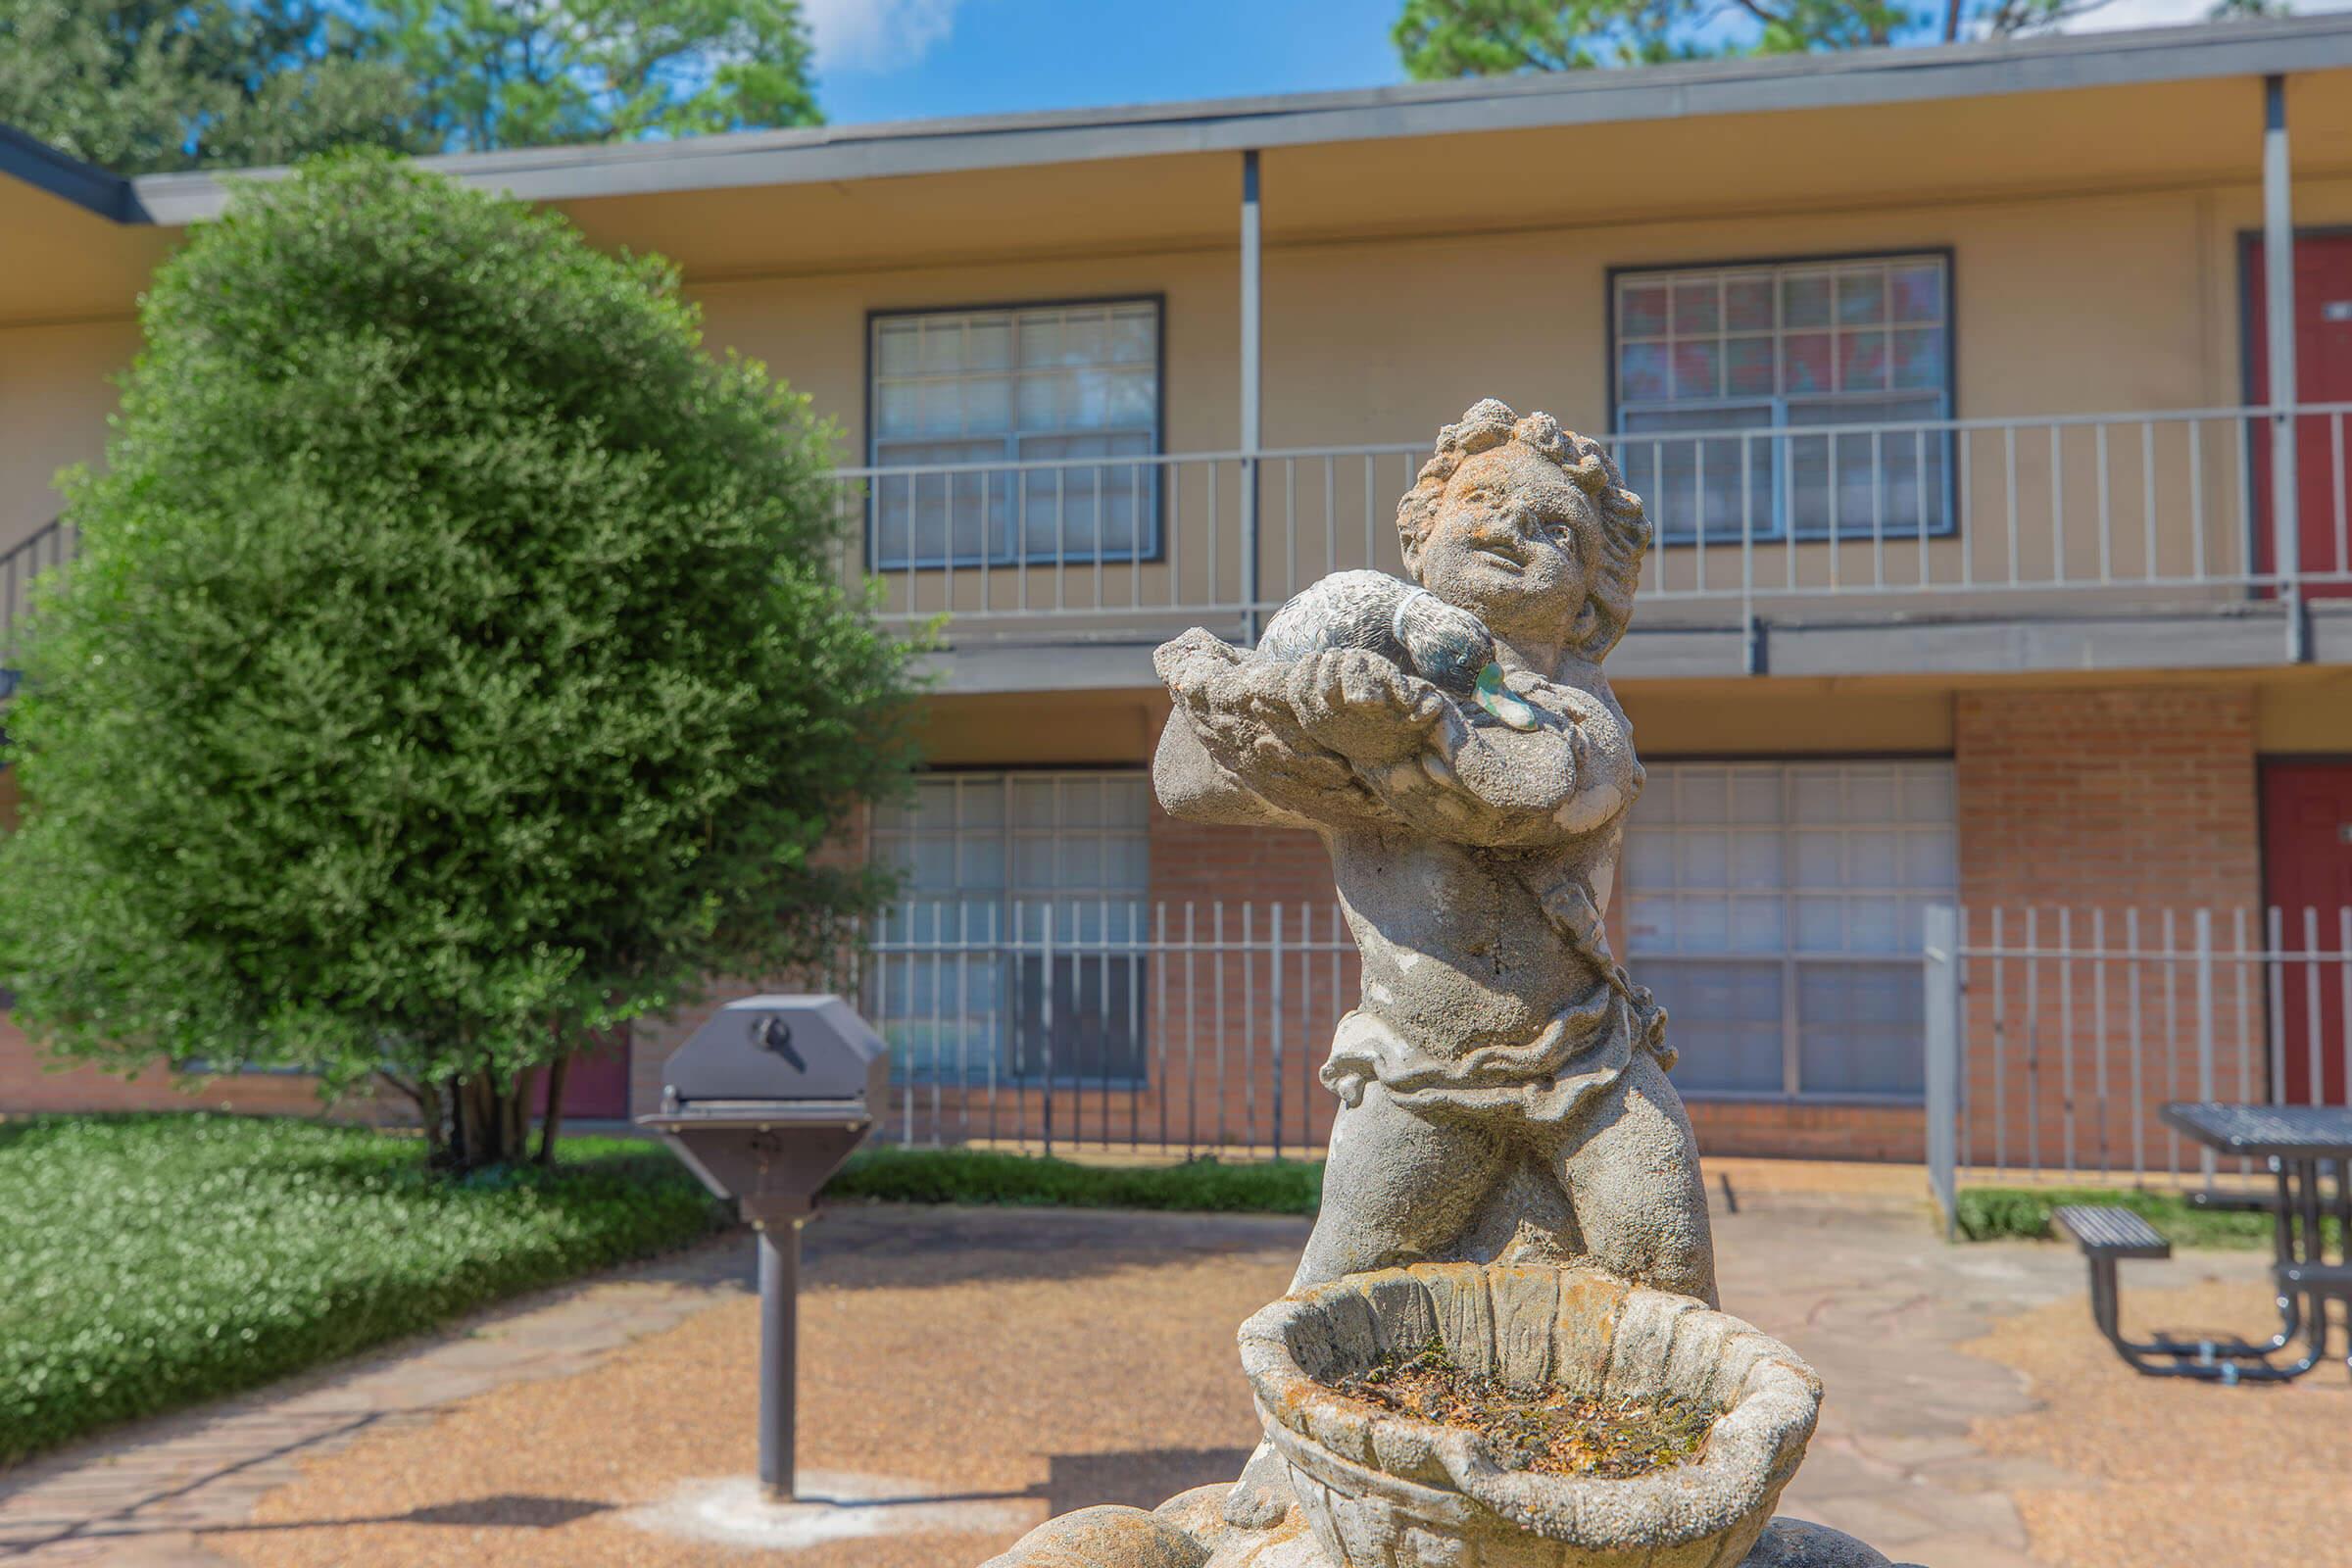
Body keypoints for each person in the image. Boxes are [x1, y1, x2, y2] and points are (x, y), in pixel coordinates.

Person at [1152, 399, 1715, 1528]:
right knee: (1341, 1289)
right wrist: (1292, 674)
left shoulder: (1583, 711)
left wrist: (1403, 734)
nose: (1509, 529)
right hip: (1419, 1075)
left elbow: (1531, 793)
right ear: (1421, 536)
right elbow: (1187, 774)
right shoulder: (1354, 676)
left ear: (1594, 593)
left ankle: (1681, 1483)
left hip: (1588, 1066)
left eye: (1550, 528)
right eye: (1481, 504)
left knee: (1665, 1250)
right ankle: (1306, 1484)